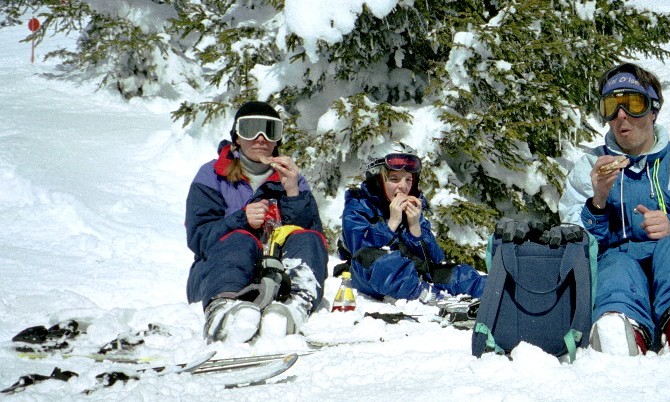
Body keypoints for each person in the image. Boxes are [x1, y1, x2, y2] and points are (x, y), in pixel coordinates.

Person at [559, 63, 670, 355]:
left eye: (633, 103)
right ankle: (620, 327)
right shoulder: (589, 169)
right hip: (617, 271)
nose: (621, 116)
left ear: (653, 111)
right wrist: (597, 203)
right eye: (611, 106)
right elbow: (576, 243)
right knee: (616, 263)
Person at [185, 101, 328, 344]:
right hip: (218, 276)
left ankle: (292, 310)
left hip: (277, 279)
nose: (260, 138)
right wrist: (241, 219)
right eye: (250, 129)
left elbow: (312, 242)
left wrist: (292, 192)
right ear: (237, 137)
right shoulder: (211, 175)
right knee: (240, 237)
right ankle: (223, 313)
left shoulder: (292, 177)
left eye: (269, 130)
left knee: (308, 238)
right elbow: (199, 239)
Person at [341, 144, 486, 304]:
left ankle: (494, 294)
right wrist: (392, 224)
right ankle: (434, 298)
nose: (403, 186)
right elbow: (360, 250)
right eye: (394, 179)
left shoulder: (412, 208)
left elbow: (435, 260)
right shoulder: (358, 207)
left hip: (414, 273)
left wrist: (415, 227)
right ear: (377, 180)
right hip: (372, 275)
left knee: (459, 274)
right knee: (375, 260)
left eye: (408, 179)